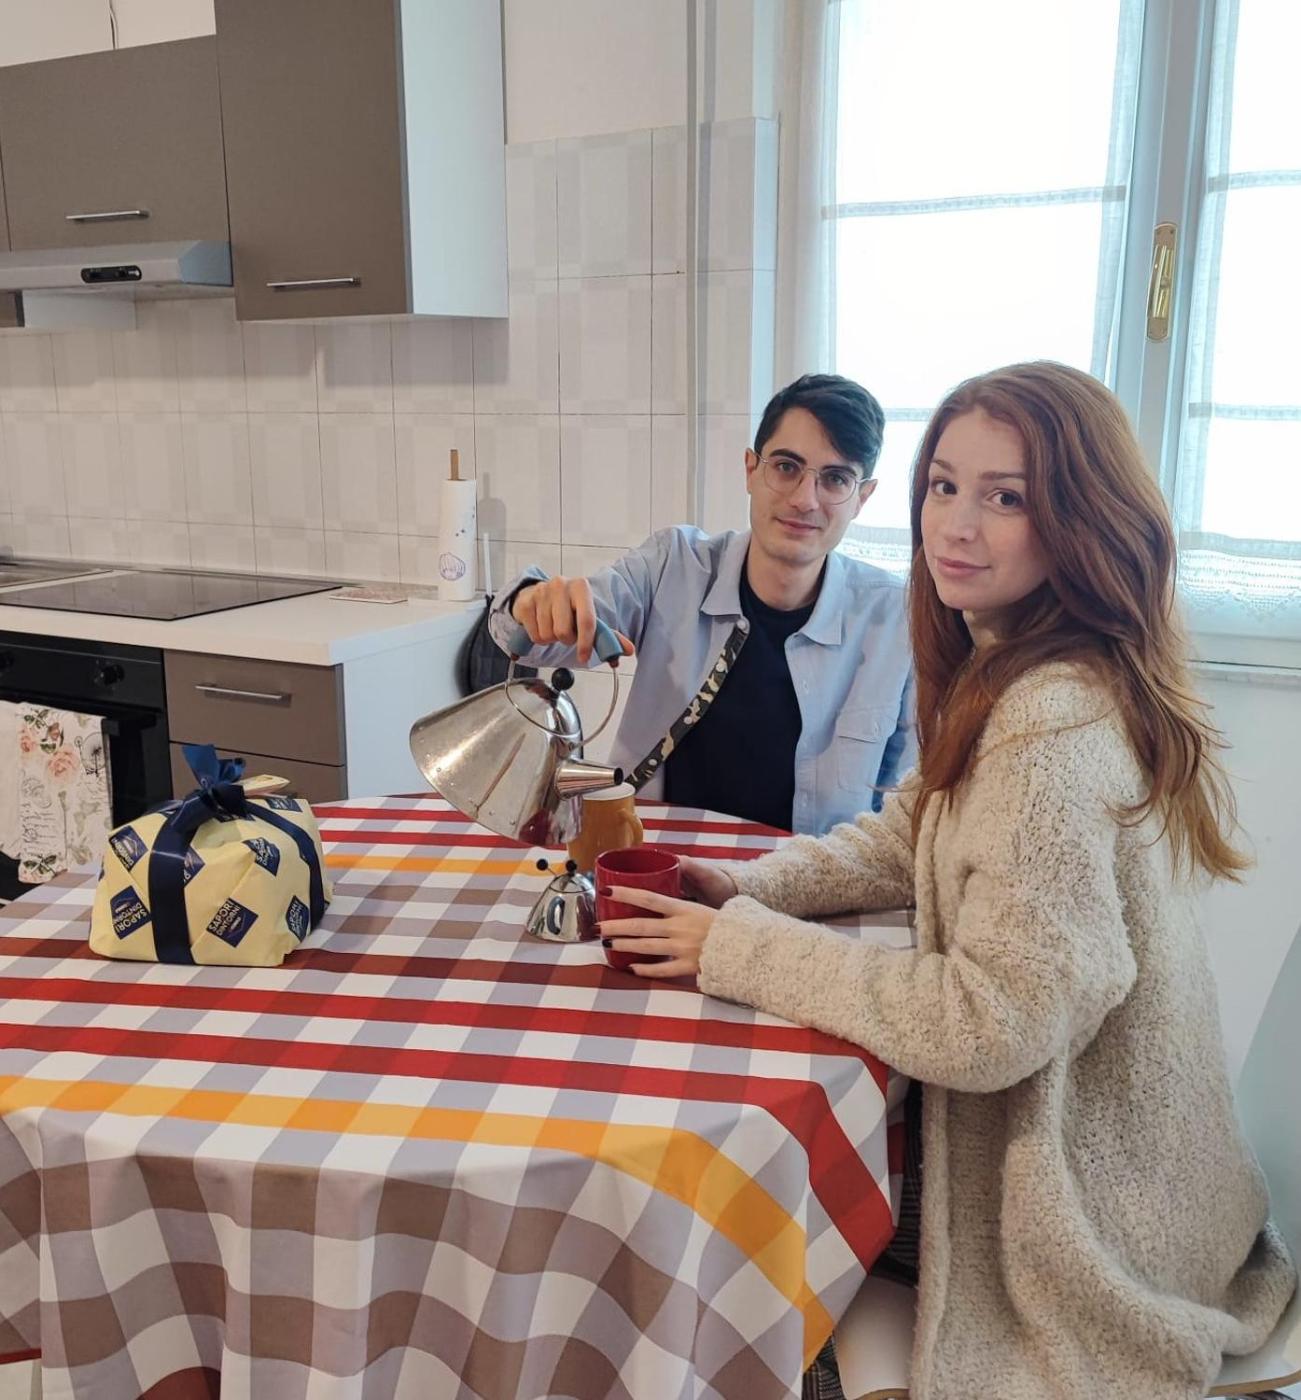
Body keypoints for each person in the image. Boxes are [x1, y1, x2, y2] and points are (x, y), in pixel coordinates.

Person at [599, 361, 1298, 1399]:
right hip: (1127, 1169)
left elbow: (988, 1023)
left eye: (1005, 497)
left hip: (1086, 1214)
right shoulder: (1014, 668)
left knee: (738, 1238)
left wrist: (739, 947)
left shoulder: (1049, 726)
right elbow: (906, 834)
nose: (955, 526)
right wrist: (745, 887)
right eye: (943, 485)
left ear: (1077, 517)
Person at [489, 374, 914, 834]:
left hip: (805, 873)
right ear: (751, 470)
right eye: (786, 467)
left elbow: (907, 806)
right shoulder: (674, 565)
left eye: (835, 479)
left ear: (862, 498)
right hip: (653, 857)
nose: (804, 500)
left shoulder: (898, 620)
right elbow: (539, 639)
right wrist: (531, 603)